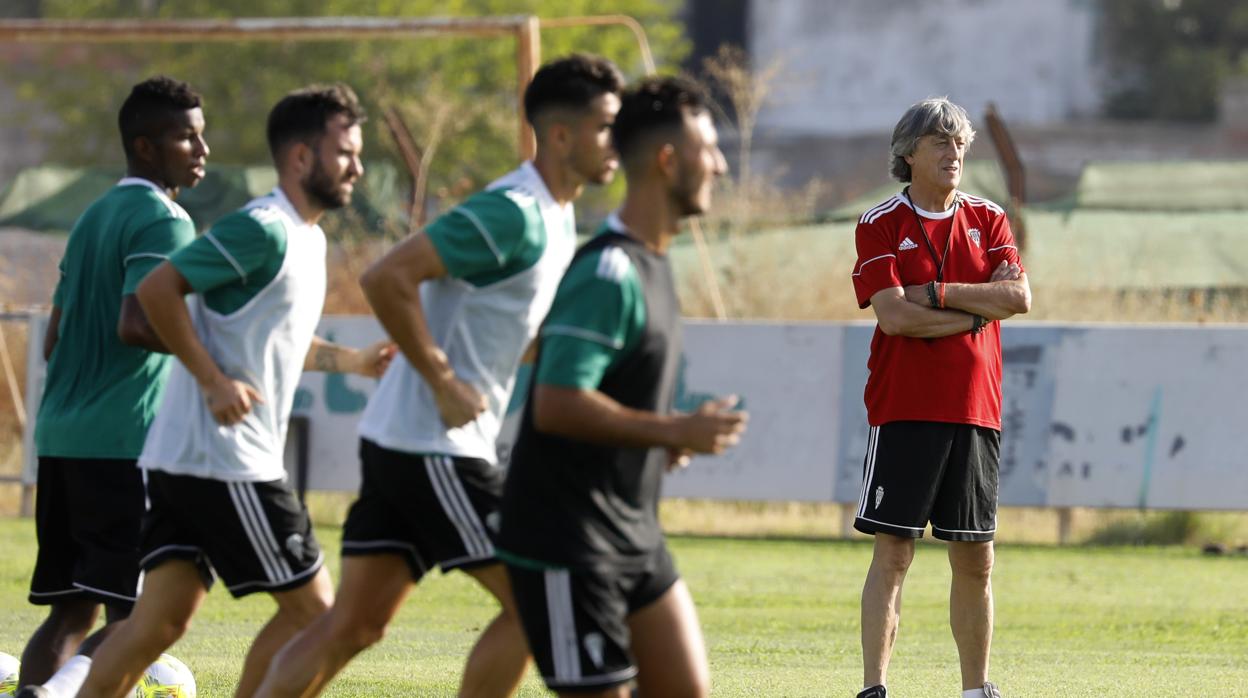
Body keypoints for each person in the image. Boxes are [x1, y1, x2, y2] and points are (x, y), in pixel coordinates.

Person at [253, 54, 624, 698]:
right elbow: (386, 277)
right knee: (539, 594)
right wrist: (443, 380)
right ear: (561, 134)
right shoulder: (515, 209)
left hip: (407, 443)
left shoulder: (559, 217)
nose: (617, 142)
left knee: (356, 624)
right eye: (606, 126)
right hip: (434, 448)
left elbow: (511, 336)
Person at [74, 83, 393, 698]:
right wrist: (213, 381)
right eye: (345, 152)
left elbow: (273, 341)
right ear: (302, 158)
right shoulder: (264, 227)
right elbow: (157, 292)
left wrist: (351, 359)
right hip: (226, 461)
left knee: (154, 626)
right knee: (320, 614)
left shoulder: (309, 237)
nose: (357, 166)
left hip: (186, 458)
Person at [496, 75, 746, 698]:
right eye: (707, 149)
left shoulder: (653, 264)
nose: (718, 164)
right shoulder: (608, 271)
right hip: (567, 541)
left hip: (634, 532)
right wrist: (673, 429)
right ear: (666, 160)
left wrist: (663, 441)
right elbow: (556, 404)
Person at [16, 76, 209, 698]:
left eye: (203, 135)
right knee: (139, 621)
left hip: (61, 435)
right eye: (187, 137)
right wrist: (212, 361)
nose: (202, 149)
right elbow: (137, 322)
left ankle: (32, 693)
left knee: (71, 614)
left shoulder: (92, 216)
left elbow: (53, 340)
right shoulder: (165, 221)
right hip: (123, 440)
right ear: (145, 147)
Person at [848, 97, 1031, 698]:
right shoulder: (880, 222)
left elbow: (1018, 299)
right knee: (894, 553)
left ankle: (975, 690)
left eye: (958, 143)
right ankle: (875, 687)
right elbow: (896, 318)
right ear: (909, 154)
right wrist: (976, 310)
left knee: (976, 560)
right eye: (939, 143)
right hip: (904, 406)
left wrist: (941, 294)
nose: (953, 154)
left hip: (977, 408)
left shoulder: (989, 218)